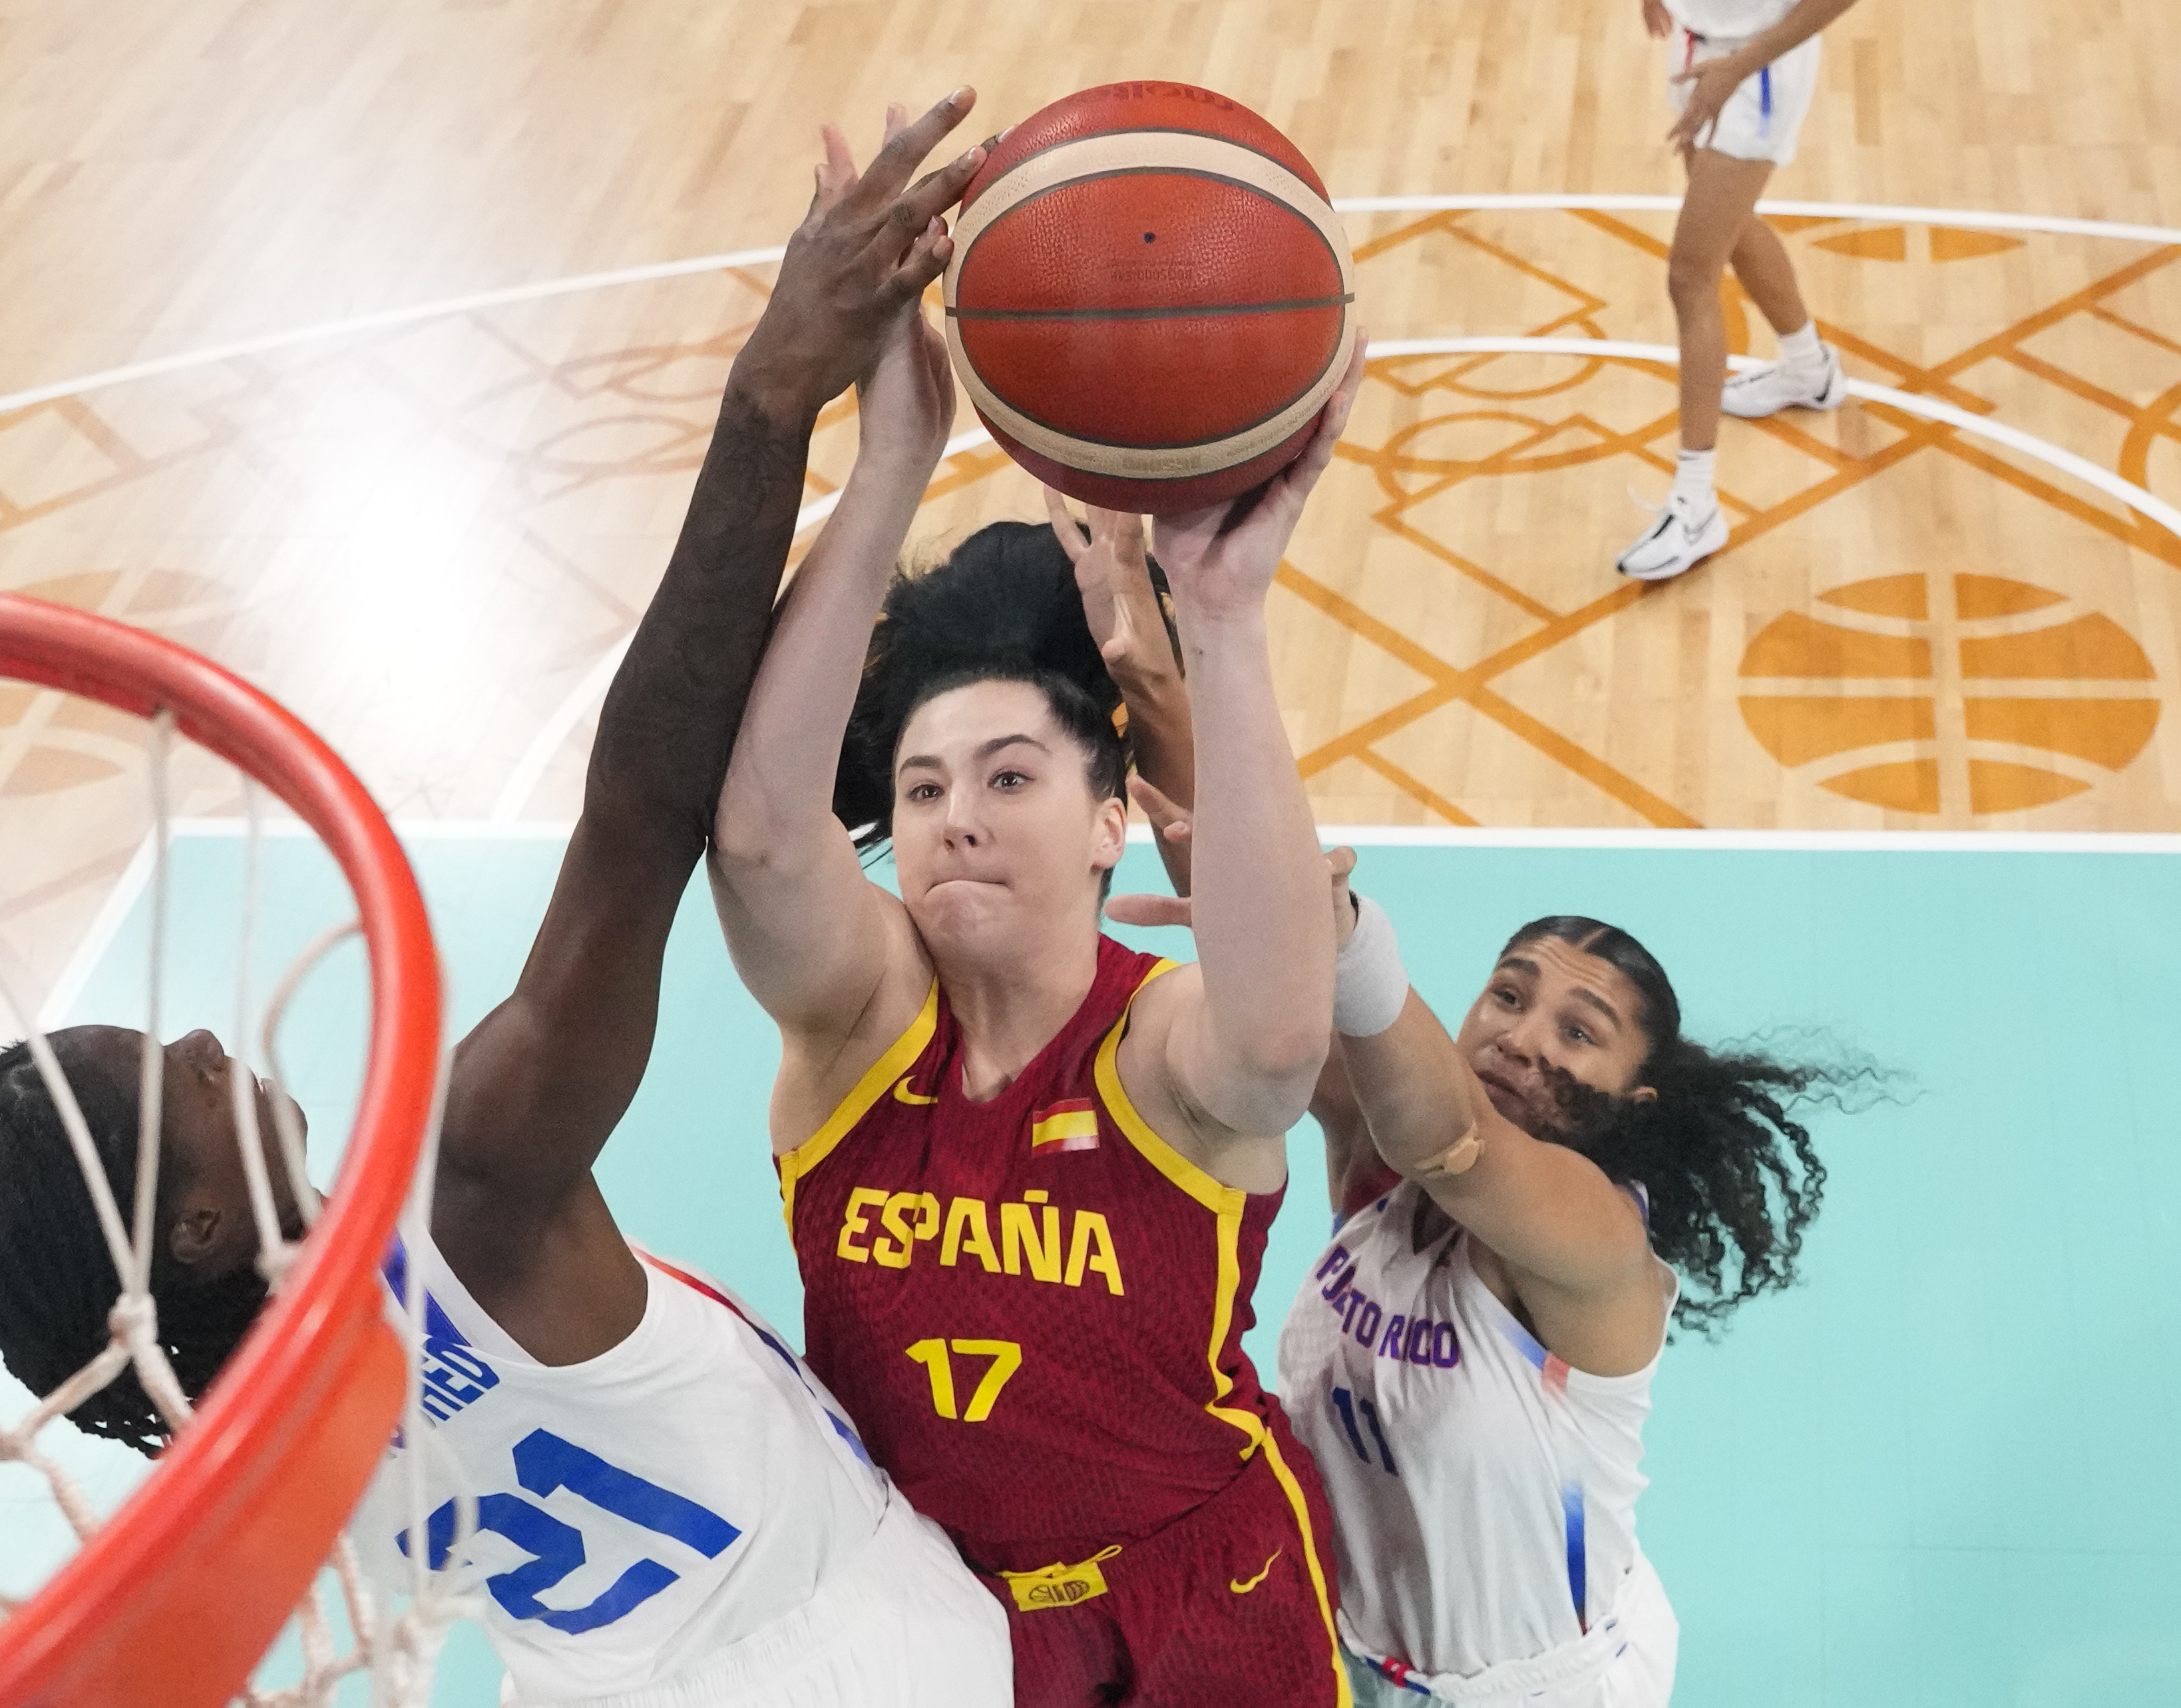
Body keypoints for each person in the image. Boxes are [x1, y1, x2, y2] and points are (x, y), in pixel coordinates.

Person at [0, 91, 1013, 1708]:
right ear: (199, 1226)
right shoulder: (475, 1189)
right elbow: (642, 812)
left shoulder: (237, 1428)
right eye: (180, 1075)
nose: (216, 1039)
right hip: (871, 1656)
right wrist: (777, 394)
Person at [707, 248, 1374, 1696]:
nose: (957, 809)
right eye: (925, 781)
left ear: (1106, 819)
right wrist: (890, 459)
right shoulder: (856, 1028)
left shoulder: (1157, 1045)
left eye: (1010, 775)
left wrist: (1222, 621)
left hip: (1205, 1579)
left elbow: (1277, 1040)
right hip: (930, 1604)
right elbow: (759, 838)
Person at [1090, 596, 1884, 1704]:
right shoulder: (1378, 1157)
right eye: (1507, 994)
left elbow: (1457, 1138)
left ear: (1630, 1099)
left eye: (1576, 1029)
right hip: (1343, 1656)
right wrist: (1165, 677)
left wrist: (1352, 933)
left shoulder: (1595, 1242)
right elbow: (1260, 940)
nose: (1520, 1031)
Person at [1617, 0, 1863, 582]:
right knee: (1729, 229)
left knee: (1689, 276)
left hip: (1758, 70)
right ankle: (1809, 368)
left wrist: (1739, 67)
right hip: (1697, 46)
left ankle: (1696, 504)